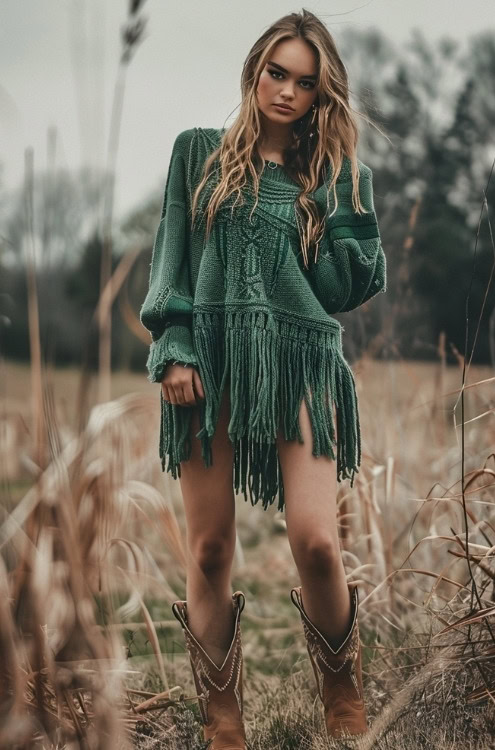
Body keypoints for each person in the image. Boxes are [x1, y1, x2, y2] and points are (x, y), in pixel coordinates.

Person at [139, 9, 386, 748]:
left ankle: (341, 695)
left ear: (321, 97)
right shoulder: (197, 155)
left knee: (314, 540)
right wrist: (174, 344)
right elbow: (171, 260)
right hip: (207, 364)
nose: (285, 91)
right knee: (210, 548)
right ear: (253, 72)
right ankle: (222, 718)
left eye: (304, 83)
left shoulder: (332, 177)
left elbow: (348, 287)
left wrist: (344, 191)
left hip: (304, 364)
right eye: (275, 73)